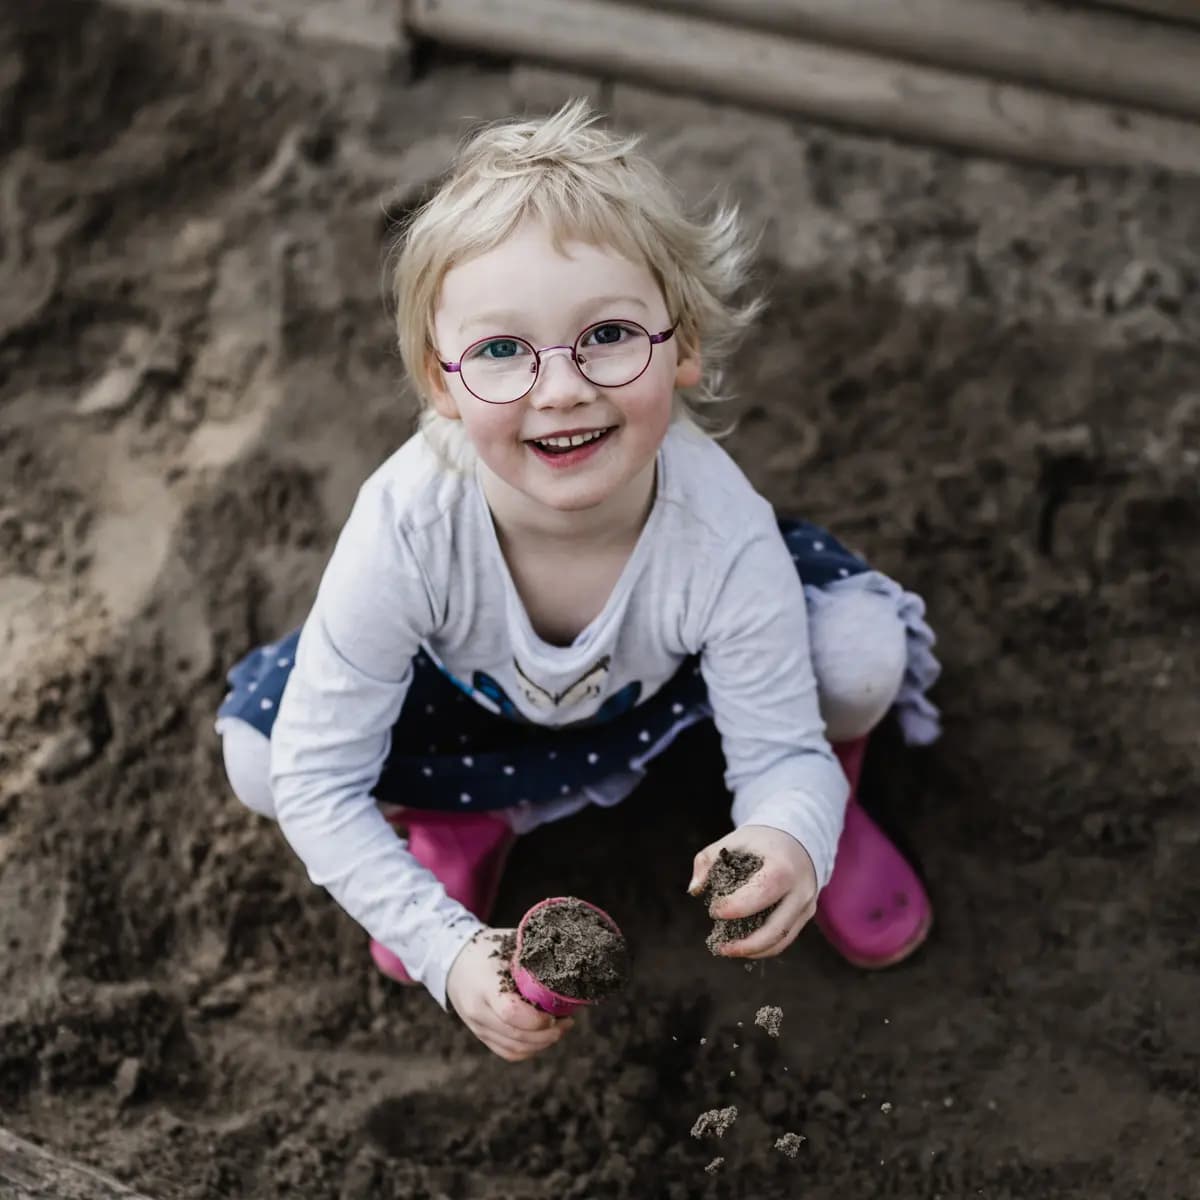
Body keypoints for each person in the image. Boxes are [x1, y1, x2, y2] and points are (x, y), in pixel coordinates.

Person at [215, 101, 941, 1063]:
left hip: (671, 691)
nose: (560, 388)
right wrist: (448, 951)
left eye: (606, 334)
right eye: (502, 350)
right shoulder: (407, 527)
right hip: (472, 708)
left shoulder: (719, 530)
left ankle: (830, 829)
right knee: (263, 763)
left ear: (681, 346)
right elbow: (319, 778)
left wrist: (788, 826)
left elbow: (777, 749)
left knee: (857, 659)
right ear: (442, 384)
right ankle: (463, 814)